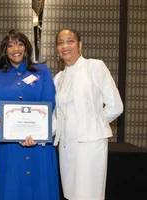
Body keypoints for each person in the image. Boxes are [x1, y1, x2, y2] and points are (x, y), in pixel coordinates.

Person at [0, 29, 60, 200]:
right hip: (9, 145)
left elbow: (49, 103)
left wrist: (35, 133)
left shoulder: (41, 71)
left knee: (40, 189)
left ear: (26, 47)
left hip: (38, 142)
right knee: (10, 189)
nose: (16, 48)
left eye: (20, 44)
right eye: (10, 45)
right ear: (5, 50)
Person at [53, 28, 124, 200]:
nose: (65, 46)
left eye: (70, 41)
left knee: (88, 194)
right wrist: (37, 133)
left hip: (91, 144)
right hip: (66, 145)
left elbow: (116, 106)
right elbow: (57, 116)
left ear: (80, 45)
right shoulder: (58, 78)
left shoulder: (95, 66)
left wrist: (93, 124)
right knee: (71, 193)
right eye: (60, 42)